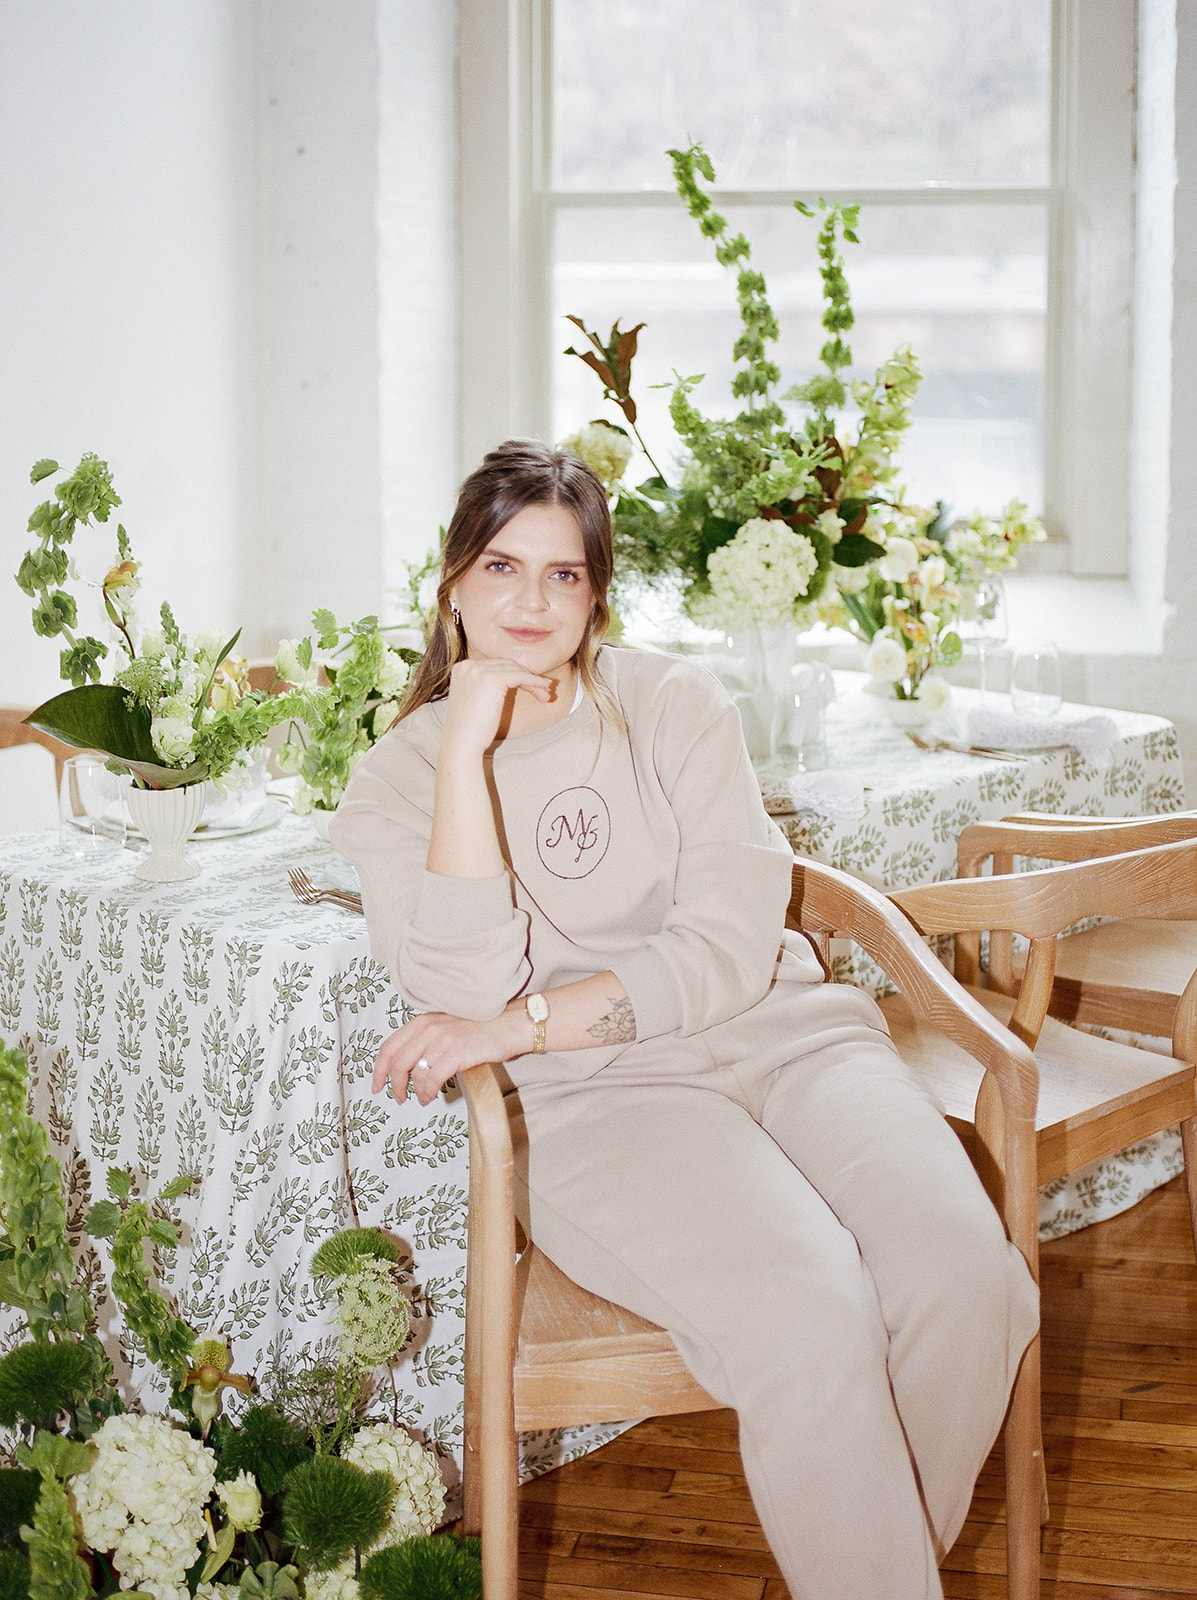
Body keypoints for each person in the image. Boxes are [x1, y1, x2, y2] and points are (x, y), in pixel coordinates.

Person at [330, 438, 1038, 1600]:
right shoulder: (401, 779)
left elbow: (718, 949)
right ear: (453, 583)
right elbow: (461, 994)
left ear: (596, 593)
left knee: (968, 1273)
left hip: (783, 1032)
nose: (531, 599)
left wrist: (522, 1023)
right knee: (811, 1318)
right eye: (502, 568)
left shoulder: (672, 704)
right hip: (603, 1103)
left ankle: (876, 1566)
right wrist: (465, 752)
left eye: (564, 574)